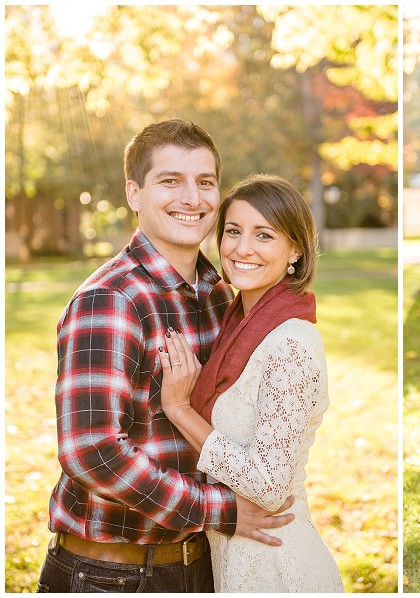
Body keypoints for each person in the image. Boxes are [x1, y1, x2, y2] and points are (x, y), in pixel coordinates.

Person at [37, 119, 293, 593]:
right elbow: (91, 450)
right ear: (134, 193)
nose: (192, 198)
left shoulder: (218, 294)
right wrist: (218, 510)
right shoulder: (112, 300)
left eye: (205, 182)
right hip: (112, 574)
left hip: (200, 564)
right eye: (170, 181)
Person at [158, 173, 344, 593]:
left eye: (264, 235)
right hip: (235, 561)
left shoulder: (290, 343)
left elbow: (267, 484)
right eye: (233, 231)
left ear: (295, 249)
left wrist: (180, 410)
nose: (242, 248)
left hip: (276, 565)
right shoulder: (237, 323)